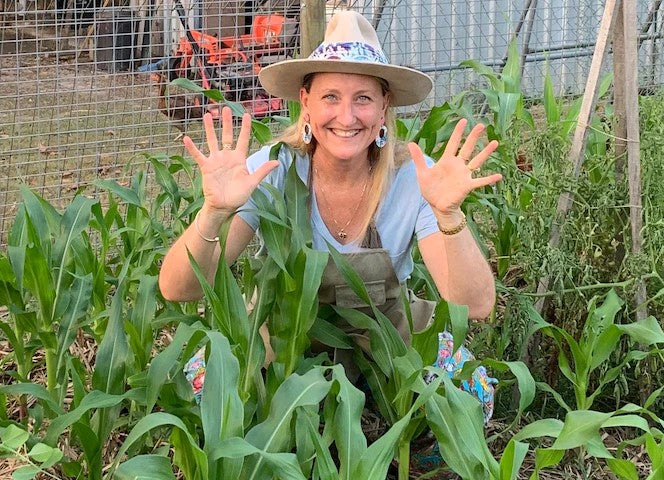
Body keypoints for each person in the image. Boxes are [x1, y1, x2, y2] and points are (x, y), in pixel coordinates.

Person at [159, 11, 502, 377]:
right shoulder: (273, 170)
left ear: (384, 106)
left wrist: (448, 215)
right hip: (284, 335)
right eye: (331, 97)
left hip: (387, 336)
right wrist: (214, 211)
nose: (346, 115)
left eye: (363, 98)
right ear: (306, 102)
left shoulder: (414, 177)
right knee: (204, 378)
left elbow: (476, 305)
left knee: (469, 385)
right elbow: (179, 289)